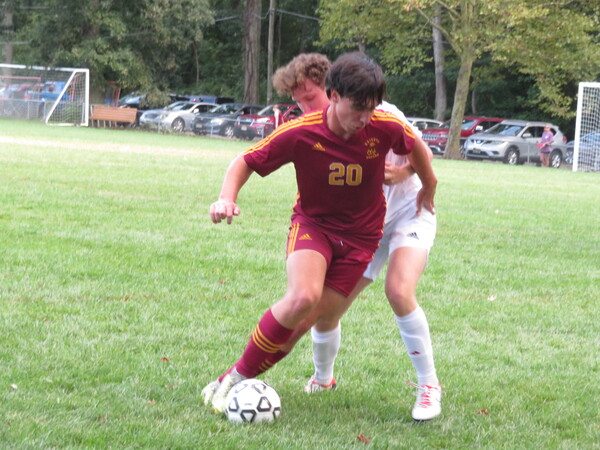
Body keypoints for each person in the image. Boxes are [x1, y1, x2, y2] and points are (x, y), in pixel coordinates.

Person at [203, 52, 438, 415]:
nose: (364, 118)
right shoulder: (301, 132)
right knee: (302, 298)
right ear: (335, 96)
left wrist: (428, 184)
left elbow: (416, 147)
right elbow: (246, 160)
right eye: (358, 108)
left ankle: (248, 375)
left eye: (371, 109)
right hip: (315, 227)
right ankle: (233, 377)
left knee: (308, 320)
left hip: (362, 240)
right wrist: (225, 198)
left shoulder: (384, 123)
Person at [272, 53, 441, 421]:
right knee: (327, 312)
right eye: (298, 102)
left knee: (398, 290)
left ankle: (429, 385)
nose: (304, 107)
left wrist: (410, 175)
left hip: (405, 214)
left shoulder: (377, 112)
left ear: (332, 90)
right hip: (362, 229)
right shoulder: (320, 127)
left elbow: (421, 152)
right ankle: (323, 379)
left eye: (310, 97)